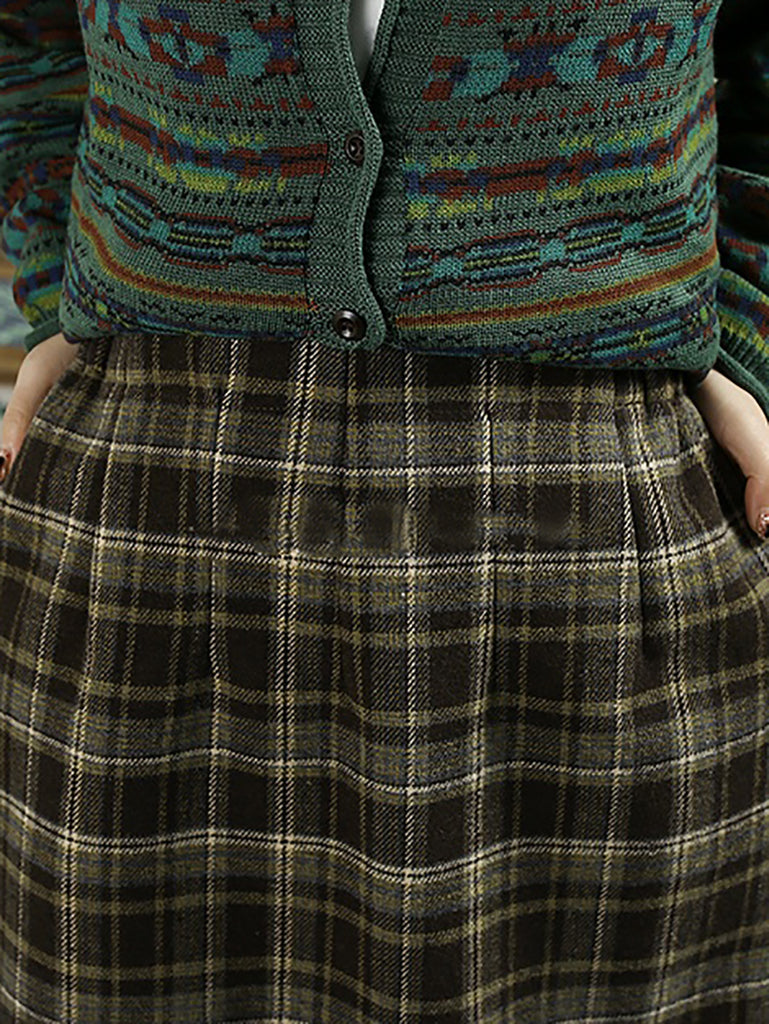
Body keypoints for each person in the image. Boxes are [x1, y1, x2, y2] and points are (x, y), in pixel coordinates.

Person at [0, 0, 767, 1020]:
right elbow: (28, 41)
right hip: (151, 492)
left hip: (591, 508)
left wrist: (743, 336)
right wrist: (61, 278)